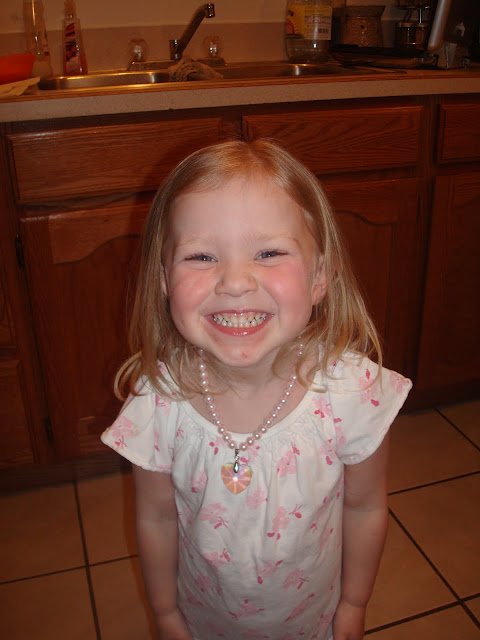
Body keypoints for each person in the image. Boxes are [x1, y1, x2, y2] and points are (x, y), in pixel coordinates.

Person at [101, 139, 412, 640]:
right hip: (205, 618)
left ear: (320, 276)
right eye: (201, 255)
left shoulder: (353, 395)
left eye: (268, 252)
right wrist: (165, 613)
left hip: (313, 619)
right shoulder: (157, 400)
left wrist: (354, 604)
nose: (235, 281)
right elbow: (156, 519)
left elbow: (365, 507)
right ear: (164, 281)